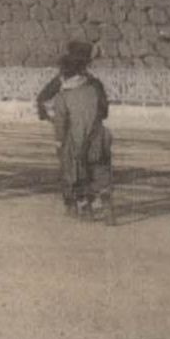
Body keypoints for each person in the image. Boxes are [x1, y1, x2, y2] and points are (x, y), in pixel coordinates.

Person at [49, 44, 114, 221]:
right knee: (101, 171)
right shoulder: (94, 88)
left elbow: (60, 123)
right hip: (99, 138)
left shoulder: (63, 96)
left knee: (77, 173)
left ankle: (85, 210)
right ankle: (108, 208)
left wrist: (59, 142)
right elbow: (105, 111)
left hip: (76, 140)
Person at [35, 41, 108, 122]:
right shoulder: (95, 84)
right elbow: (103, 112)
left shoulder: (60, 80)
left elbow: (41, 101)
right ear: (86, 65)